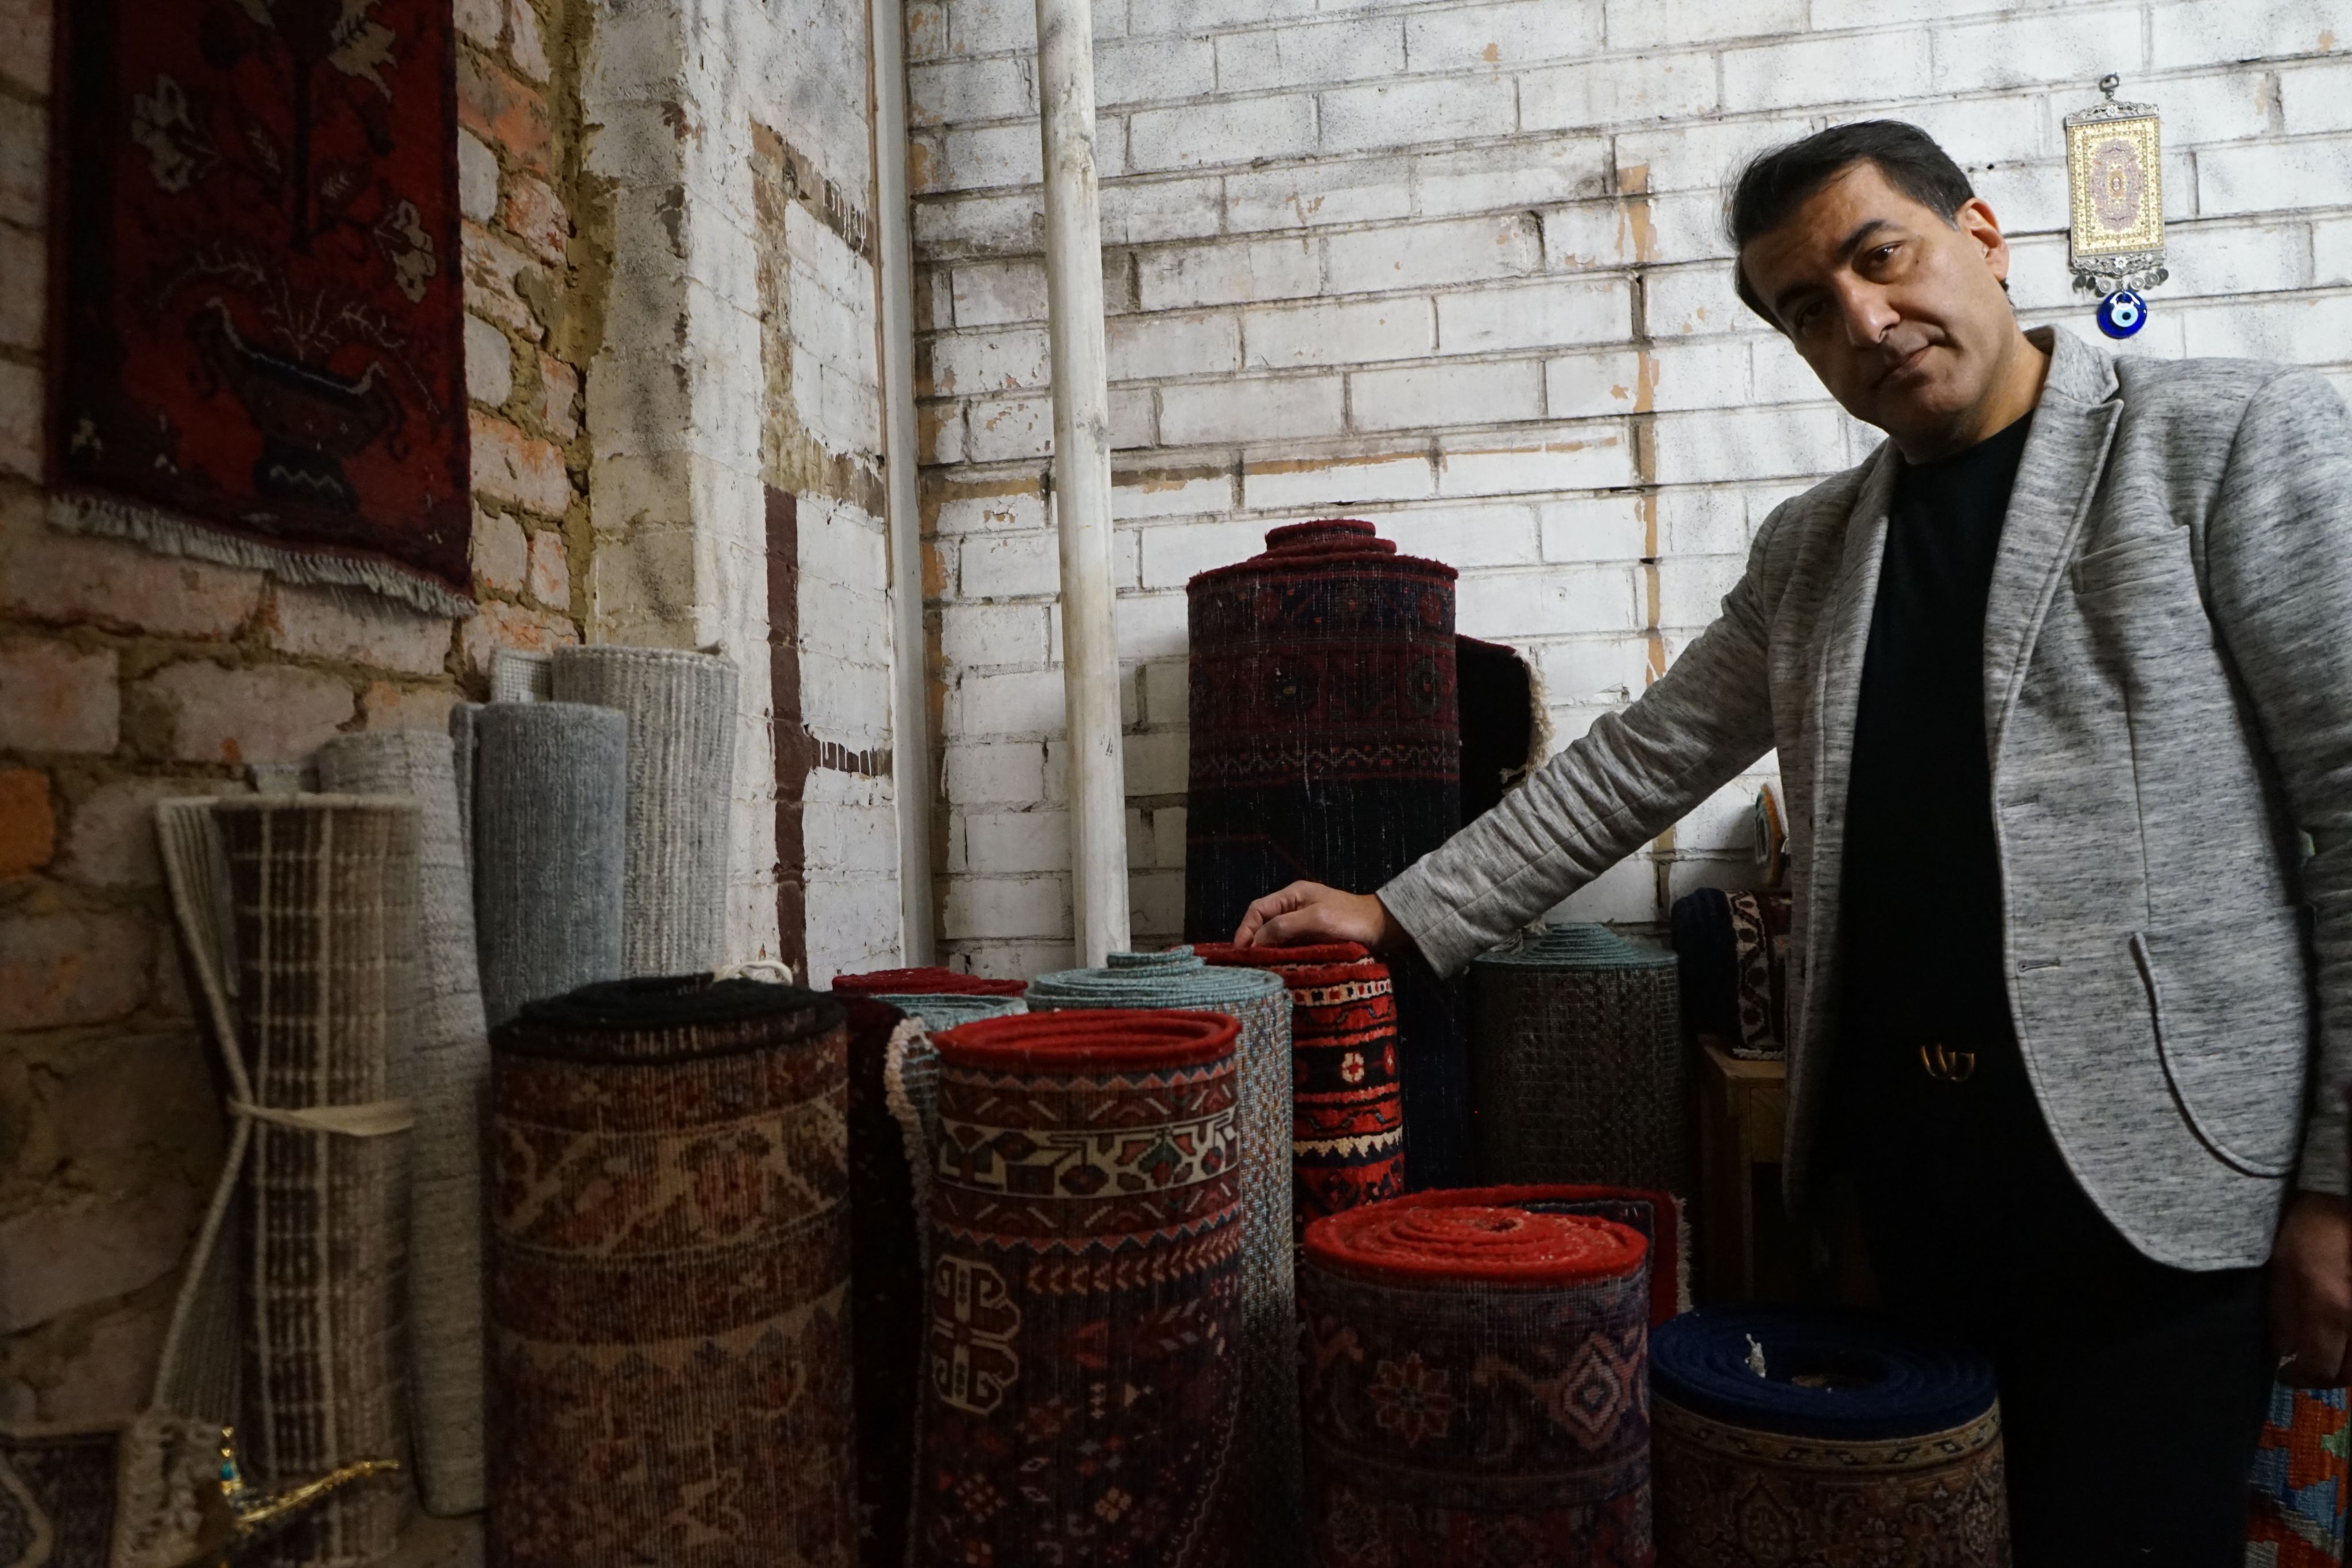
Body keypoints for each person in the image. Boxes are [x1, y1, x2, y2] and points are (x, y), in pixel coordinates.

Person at [1233, 120, 2352, 1566]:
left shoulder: (2220, 439)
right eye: (1805, 308)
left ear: (1983, 234)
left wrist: (2335, 1184)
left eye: (1878, 257)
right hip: (1899, 1182)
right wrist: (1398, 912)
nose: (1862, 320)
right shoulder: (1813, 546)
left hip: (2159, 1187)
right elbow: (1635, 762)